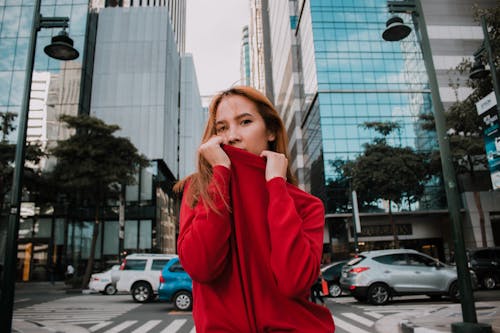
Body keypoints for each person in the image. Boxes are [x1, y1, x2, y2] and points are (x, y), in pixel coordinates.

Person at [176, 86, 335, 332]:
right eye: (222, 128)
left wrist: (276, 187)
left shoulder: (306, 205)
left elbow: (295, 281)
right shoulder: (198, 191)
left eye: (245, 122)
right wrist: (219, 175)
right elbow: (202, 266)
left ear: (270, 130)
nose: (232, 136)